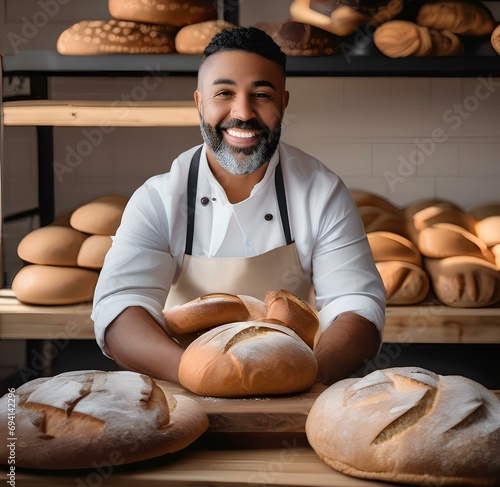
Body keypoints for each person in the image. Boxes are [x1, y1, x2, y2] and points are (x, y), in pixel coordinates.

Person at [92, 26, 386, 386]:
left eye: (261, 94)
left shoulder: (321, 193)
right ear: (200, 103)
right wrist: (198, 374)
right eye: (224, 93)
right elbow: (120, 307)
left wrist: (307, 376)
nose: (243, 113)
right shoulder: (158, 199)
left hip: (295, 394)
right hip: (182, 391)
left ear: (283, 103)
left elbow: (356, 303)